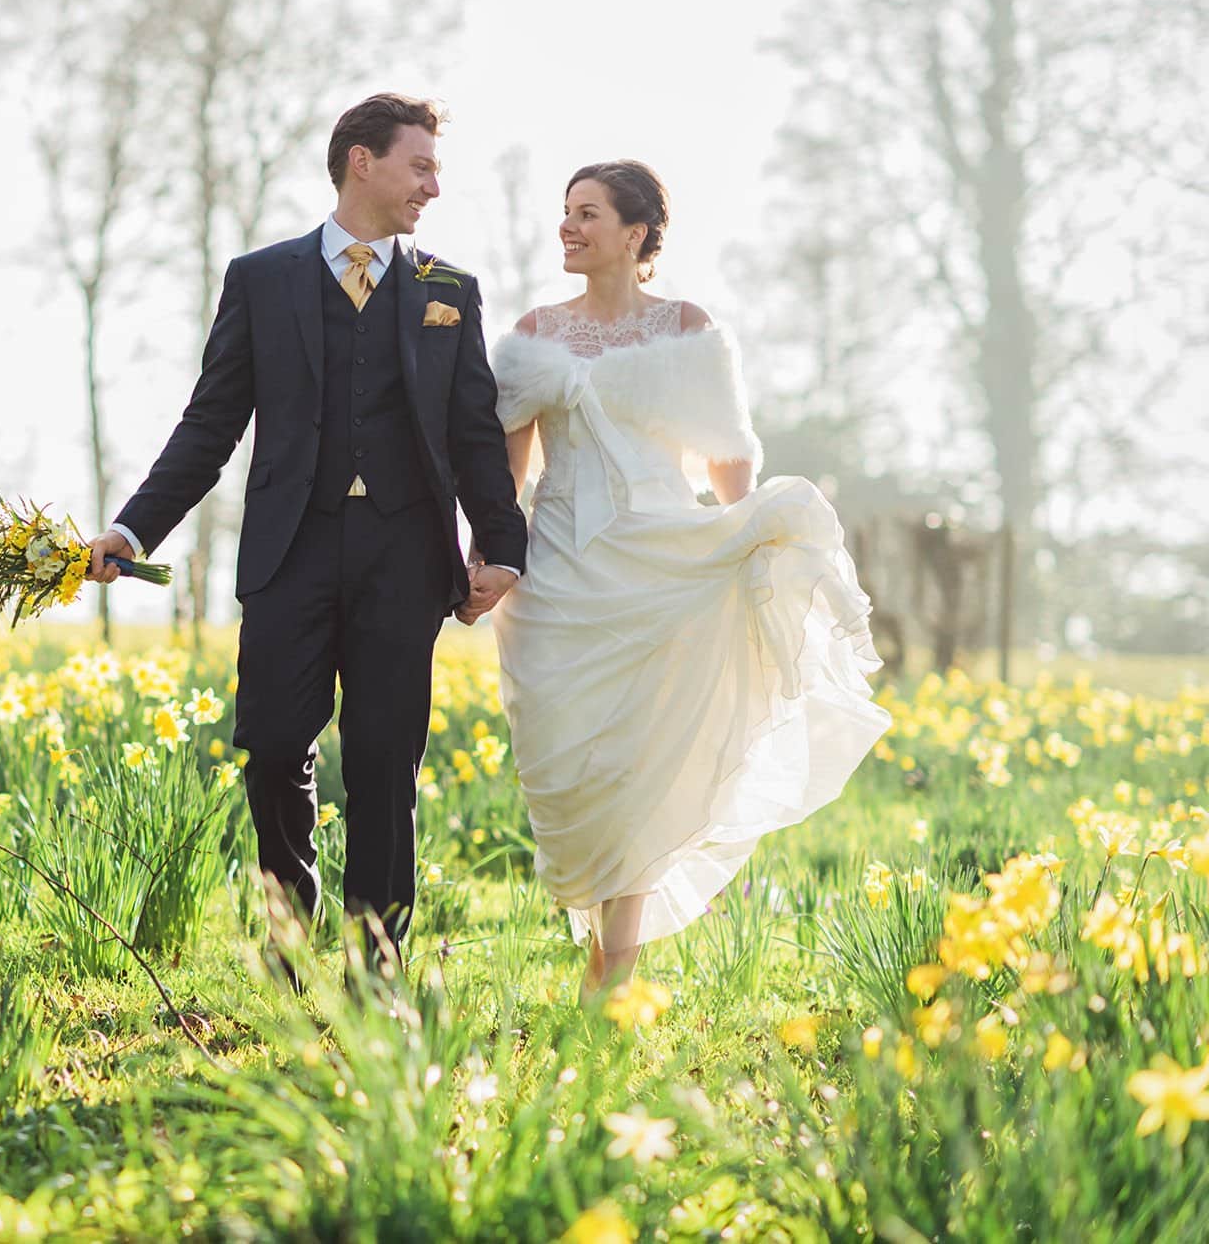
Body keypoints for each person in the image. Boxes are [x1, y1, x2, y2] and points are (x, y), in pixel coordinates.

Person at [87, 93, 528, 974]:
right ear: (360, 162)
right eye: (420, 166)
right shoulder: (262, 279)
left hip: (404, 560)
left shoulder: (450, 290)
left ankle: (377, 964)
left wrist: (502, 545)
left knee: (382, 762)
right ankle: (289, 931)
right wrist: (134, 528)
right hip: (290, 553)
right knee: (276, 744)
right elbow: (210, 424)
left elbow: (475, 431)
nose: (434, 187)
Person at [472, 159, 891, 997]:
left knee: (638, 762)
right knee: (571, 765)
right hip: (560, 581)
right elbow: (505, 477)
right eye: (566, 212)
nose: (569, 226)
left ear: (636, 234)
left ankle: (611, 973)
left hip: (664, 565)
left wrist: (747, 539)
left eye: (587, 213)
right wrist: (488, 559)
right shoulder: (533, 335)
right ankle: (603, 945)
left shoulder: (689, 328)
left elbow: (729, 454)